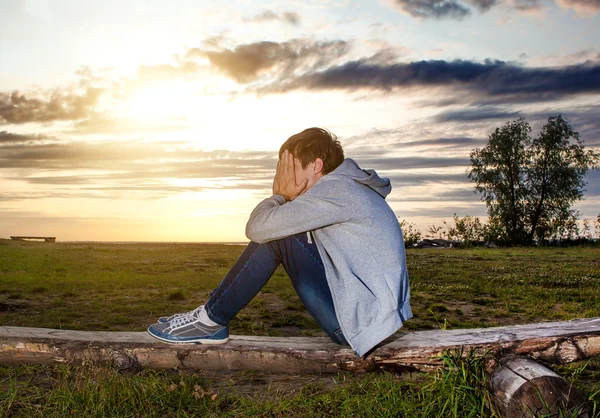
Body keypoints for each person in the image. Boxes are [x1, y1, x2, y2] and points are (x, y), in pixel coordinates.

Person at [147, 127, 411, 357]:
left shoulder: (337, 190)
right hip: (369, 319)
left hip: (362, 324)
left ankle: (209, 320)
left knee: (277, 235)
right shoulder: (348, 188)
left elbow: (257, 229)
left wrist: (281, 195)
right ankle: (209, 318)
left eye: (289, 166)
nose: (284, 175)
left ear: (316, 166)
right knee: (279, 228)